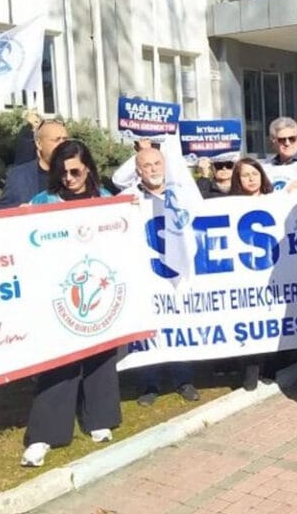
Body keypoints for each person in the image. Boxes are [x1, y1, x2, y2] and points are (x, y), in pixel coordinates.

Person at [22, 140, 119, 467]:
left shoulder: (106, 201)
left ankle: (99, 418)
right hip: (57, 295)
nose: (69, 178)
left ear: (88, 167)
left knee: (100, 355)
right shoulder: (43, 201)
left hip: (99, 289)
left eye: (75, 171)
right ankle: (44, 435)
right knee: (58, 362)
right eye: (62, 172)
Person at [122, 148, 201, 406]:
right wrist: (123, 210)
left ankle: (184, 379)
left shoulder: (183, 194)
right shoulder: (127, 199)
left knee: (180, 325)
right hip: (147, 276)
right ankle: (149, 383)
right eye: (147, 165)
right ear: (138, 171)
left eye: (157, 163)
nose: (154, 169)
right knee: (148, 329)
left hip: (178, 276)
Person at [229, 157, 275, 390]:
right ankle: (249, 371)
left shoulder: (276, 201)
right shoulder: (228, 204)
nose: (250, 178)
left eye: (254, 173)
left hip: (271, 272)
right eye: (245, 174)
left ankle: (269, 368)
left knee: (270, 319)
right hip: (243, 274)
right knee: (248, 322)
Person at [0, 119, 69, 209]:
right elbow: (0, 212)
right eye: (56, 140)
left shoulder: (78, 172)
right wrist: (19, 210)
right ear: (39, 143)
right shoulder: (19, 176)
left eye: (65, 139)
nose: (62, 144)